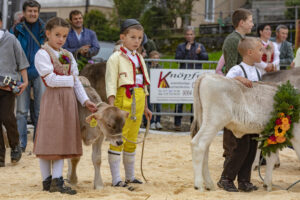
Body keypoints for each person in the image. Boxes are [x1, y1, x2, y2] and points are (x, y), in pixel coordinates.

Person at [33, 17, 97, 195]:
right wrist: (72, 79)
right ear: (48, 34)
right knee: (50, 140)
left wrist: (85, 100)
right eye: (57, 35)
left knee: (62, 139)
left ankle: (55, 180)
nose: (61, 39)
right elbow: (51, 80)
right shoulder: (42, 54)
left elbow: (76, 83)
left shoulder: (67, 55)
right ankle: (49, 181)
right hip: (53, 101)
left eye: (64, 35)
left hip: (68, 101)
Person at [105, 18, 152, 187]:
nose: (136, 41)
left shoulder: (140, 58)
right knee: (119, 138)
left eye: (139, 38)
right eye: (133, 37)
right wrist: (111, 107)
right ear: (123, 37)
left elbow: (144, 84)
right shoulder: (115, 58)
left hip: (138, 100)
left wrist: (146, 106)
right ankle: (116, 178)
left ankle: (130, 176)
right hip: (122, 100)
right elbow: (110, 82)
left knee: (132, 137)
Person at [218, 37, 262, 192]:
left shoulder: (258, 71)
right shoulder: (237, 70)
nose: (262, 53)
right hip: (238, 117)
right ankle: (226, 179)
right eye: (260, 50)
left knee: (252, 148)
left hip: (253, 117)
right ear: (250, 52)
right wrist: (237, 79)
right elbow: (225, 86)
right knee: (240, 148)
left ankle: (244, 180)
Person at [221, 7, 254, 186]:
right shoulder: (233, 40)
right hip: (235, 89)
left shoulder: (244, 40)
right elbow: (232, 67)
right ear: (241, 23)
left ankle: (242, 176)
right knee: (233, 130)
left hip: (244, 90)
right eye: (250, 20)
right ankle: (228, 163)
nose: (252, 24)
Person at [13, 0, 46, 152]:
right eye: (30, 11)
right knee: (21, 111)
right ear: (24, 12)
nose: (33, 14)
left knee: (40, 111)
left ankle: (38, 144)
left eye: (35, 11)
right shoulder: (16, 29)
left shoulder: (45, 29)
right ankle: (21, 144)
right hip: (21, 74)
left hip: (40, 73)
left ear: (38, 12)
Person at [0, 11, 29, 167]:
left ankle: (15, 145)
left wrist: (24, 81)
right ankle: (0, 158)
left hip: (7, 87)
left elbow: (21, 61)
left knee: (6, 117)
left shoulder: (11, 40)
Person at [174, 26, 209, 130]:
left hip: (195, 77)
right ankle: (177, 123)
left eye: (191, 34)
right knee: (180, 100)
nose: (189, 36)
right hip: (183, 78)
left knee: (194, 101)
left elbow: (206, 58)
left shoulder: (199, 46)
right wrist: (185, 50)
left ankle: (193, 124)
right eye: (187, 34)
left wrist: (200, 53)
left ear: (194, 35)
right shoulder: (181, 46)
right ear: (185, 35)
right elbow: (177, 59)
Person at [145, 50, 163, 130]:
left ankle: (158, 121)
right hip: (149, 89)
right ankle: (151, 122)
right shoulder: (147, 67)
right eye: (154, 58)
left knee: (158, 106)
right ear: (150, 58)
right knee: (150, 106)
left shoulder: (160, 67)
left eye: (157, 58)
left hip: (157, 90)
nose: (156, 60)